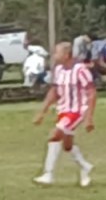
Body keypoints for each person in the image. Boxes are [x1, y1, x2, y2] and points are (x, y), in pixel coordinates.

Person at [32, 42, 96, 187]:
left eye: (57, 52)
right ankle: (84, 166)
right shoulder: (59, 69)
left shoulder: (80, 70)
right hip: (64, 109)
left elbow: (91, 93)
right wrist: (42, 112)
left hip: (78, 110)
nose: (54, 55)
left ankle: (48, 174)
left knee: (54, 136)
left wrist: (89, 117)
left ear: (66, 54)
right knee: (67, 145)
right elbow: (54, 91)